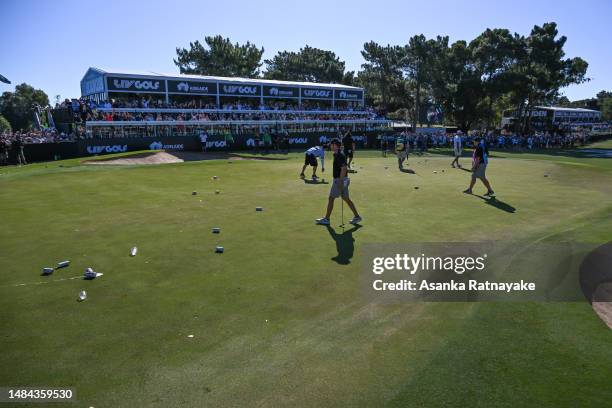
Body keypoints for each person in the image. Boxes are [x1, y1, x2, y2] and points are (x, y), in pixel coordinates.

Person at [316, 139, 362, 226]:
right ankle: (357, 217)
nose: (330, 146)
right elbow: (344, 167)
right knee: (346, 199)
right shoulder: (338, 154)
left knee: (331, 198)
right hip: (344, 179)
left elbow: (344, 168)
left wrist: (340, 181)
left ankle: (326, 219)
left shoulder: (339, 155)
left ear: (335, 145)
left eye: (331, 145)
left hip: (339, 180)